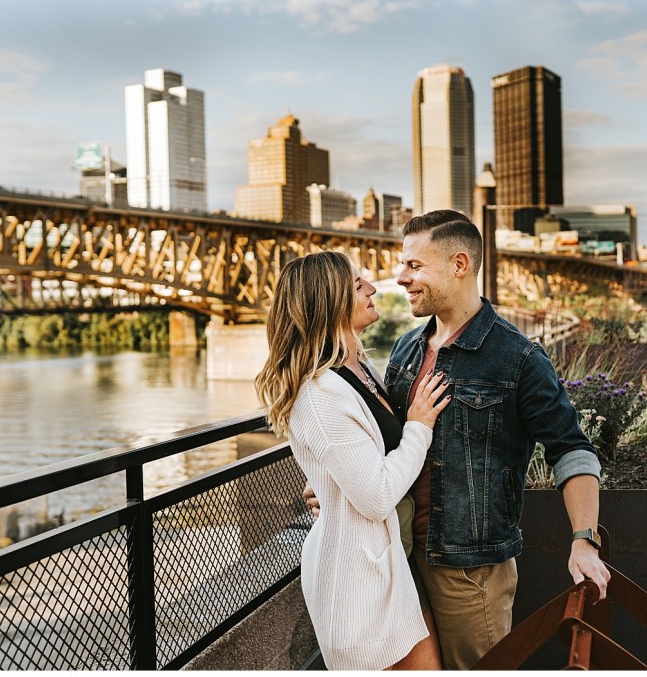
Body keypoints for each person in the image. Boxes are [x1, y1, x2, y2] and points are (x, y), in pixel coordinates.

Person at [306, 209, 611, 670]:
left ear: (460, 264)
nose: (400, 277)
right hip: (400, 560)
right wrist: (336, 484)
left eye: (414, 265)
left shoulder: (518, 356)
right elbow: (388, 442)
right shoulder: (407, 348)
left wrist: (584, 540)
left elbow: (571, 449)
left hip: (470, 572)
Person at [254, 250, 450, 671]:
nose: (373, 288)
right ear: (329, 300)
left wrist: (331, 487)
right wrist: (418, 426)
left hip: (394, 567)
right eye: (359, 284)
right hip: (360, 586)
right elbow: (377, 496)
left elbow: (361, 464)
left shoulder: (359, 367)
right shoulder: (320, 395)